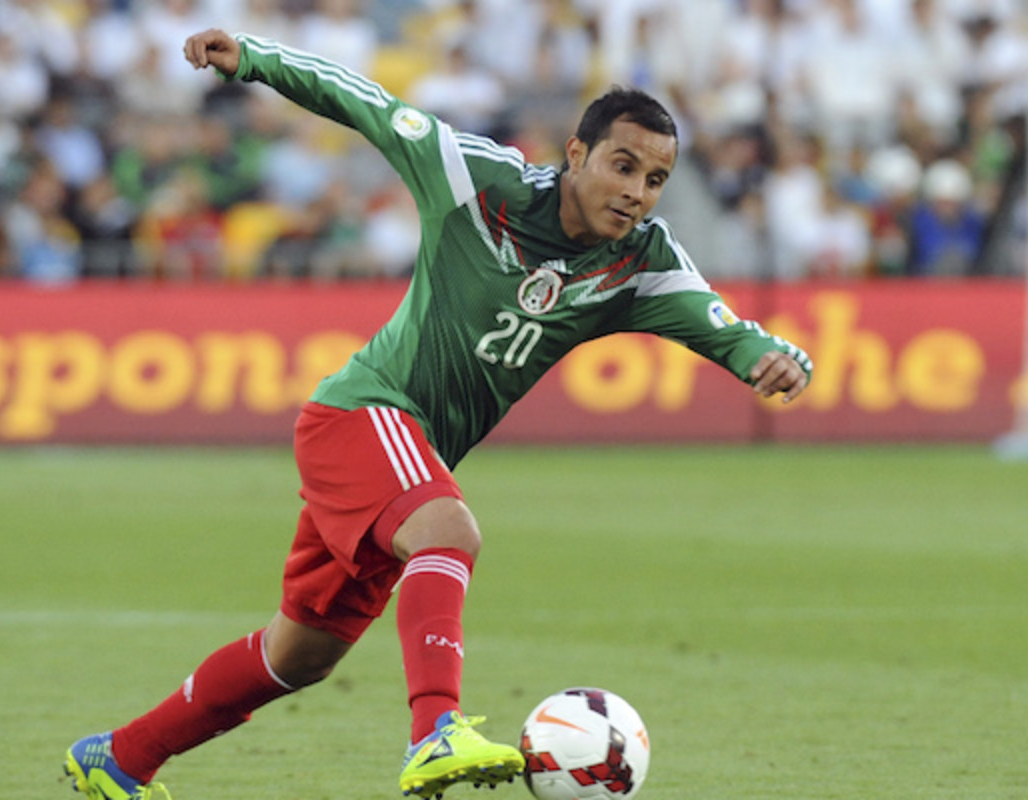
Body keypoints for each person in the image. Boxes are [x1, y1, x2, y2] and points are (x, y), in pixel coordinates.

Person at [63, 27, 813, 800]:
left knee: (300, 655)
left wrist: (769, 359)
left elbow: (724, 324)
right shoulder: (477, 180)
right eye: (624, 165)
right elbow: (369, 104)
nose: (637, 191)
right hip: (362, 413)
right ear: (577, 153)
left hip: (409, 456)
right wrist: (255, 58)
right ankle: (435, 733)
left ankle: (119, 758)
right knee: (449, 532)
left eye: (656, 178)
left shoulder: (641, 262)